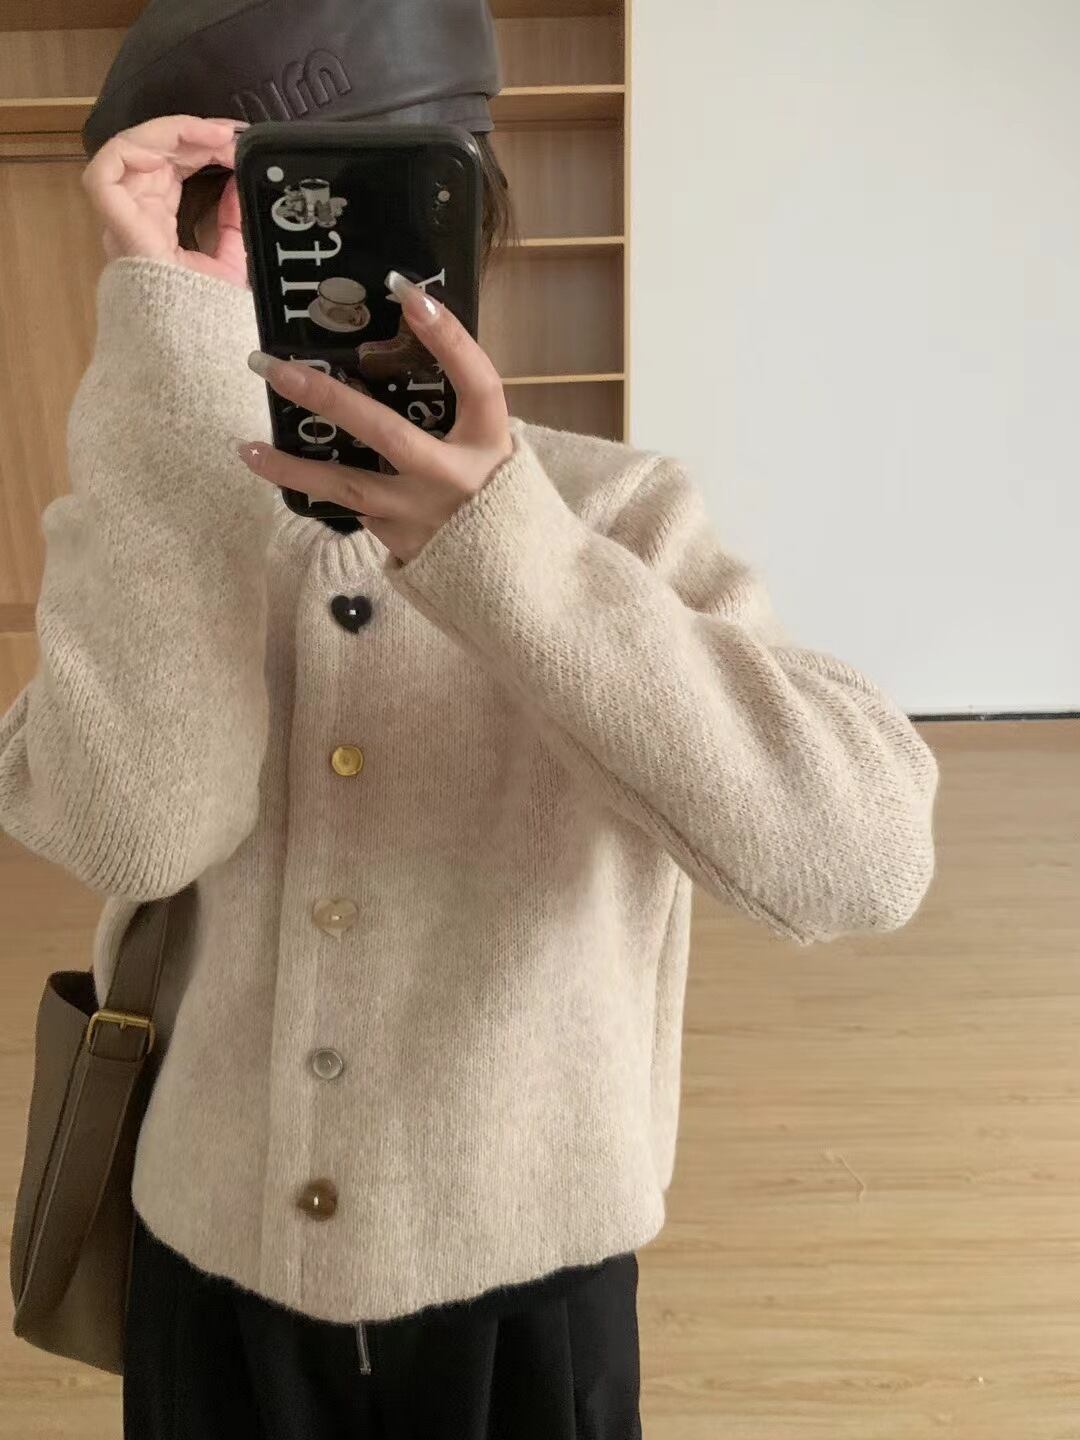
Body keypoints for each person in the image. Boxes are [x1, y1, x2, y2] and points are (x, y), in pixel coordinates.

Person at [0, 1, 939, 1436]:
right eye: (223, 222)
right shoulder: (157, 511)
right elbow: (139, 827)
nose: (287, 266)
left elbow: (862, 859)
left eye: (343, 212)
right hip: (206, 1276)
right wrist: (165, 376)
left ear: (458, 219)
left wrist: (507, 554)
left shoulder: (614, 513)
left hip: (529, 1293)